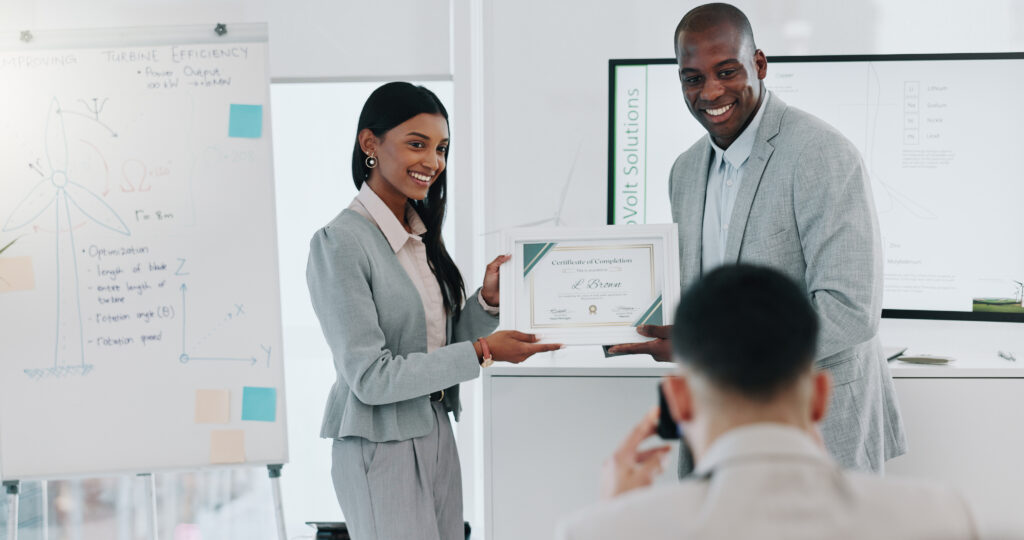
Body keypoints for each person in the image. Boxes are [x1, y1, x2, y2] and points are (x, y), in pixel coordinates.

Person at [609, 3, 906, 473]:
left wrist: (712, 350)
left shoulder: (821, 153)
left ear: (760, 65)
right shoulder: (684, 171)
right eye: (692, 78)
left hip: (818, 427)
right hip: (718, 426)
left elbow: (850, 310)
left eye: (727, 71)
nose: (710, 91)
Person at [306, 82, 561, 540]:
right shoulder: (340, 242)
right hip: (380, 442)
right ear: (370, 144)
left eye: (441, 148)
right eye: (417, 144)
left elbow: (436, 348)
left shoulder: (418, 236)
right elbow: (371, 377)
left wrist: (487, 302)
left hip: (436, 429)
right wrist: (484, 351)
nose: (433, 162)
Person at [559, 265, 978, 540]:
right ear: (820, 396)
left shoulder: (601, 531)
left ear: (678, 400)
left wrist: (616, 518)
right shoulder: (941, 518)